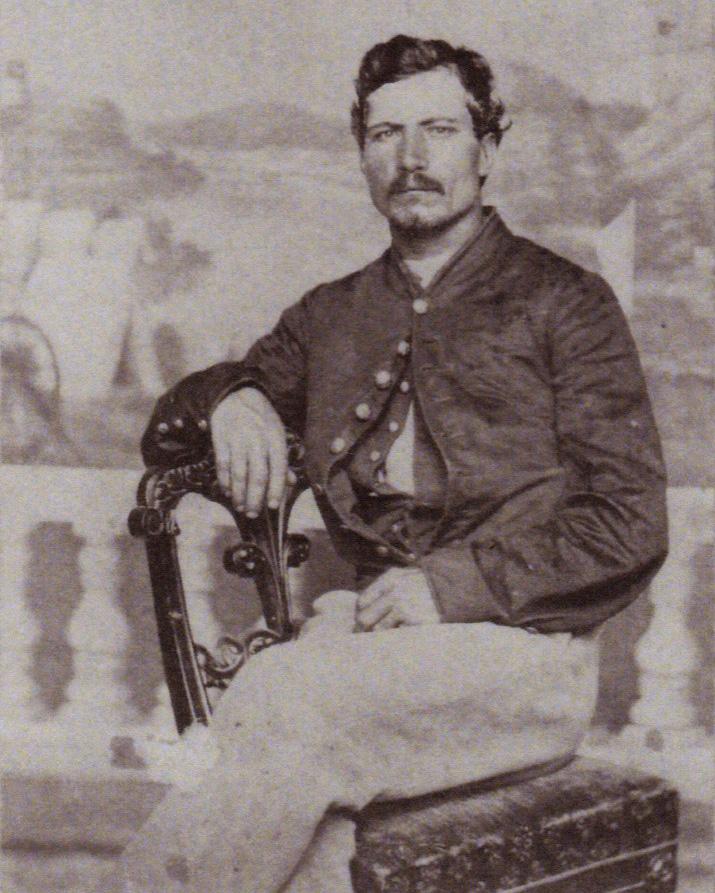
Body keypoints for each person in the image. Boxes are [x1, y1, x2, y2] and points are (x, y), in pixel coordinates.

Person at [113, 35, 668, 893]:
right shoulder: (332, 315)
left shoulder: (565, 302)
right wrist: (234, 395)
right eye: (384, 135)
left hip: (521, 664)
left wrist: (448, 589)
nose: (410, 159)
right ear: (362, 153)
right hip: (364, 657)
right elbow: (171, 429)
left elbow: (629, 524)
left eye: (438, 131)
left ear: (486, 150)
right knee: (309, 823)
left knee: (279, 700)